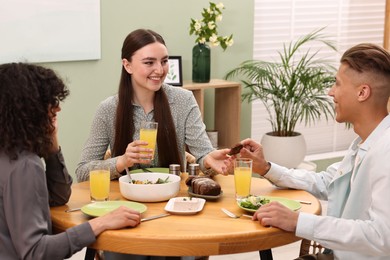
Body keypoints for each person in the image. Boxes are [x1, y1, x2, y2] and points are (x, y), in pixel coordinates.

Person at [232, 43, 390, 259]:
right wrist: (266, 168)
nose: (330, 92)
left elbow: (382, 236)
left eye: (337, 84)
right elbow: (327, 182)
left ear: (362, 92)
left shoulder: (386, 151)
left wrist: (298, 222)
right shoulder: (365, 142)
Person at [0, 63, 141, 260]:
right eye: (49, 101)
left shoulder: (8, 154)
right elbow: (35, 252)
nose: (57, 108)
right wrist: (100, 223)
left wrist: (52, 147)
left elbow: (58, 197)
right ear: (26, 108)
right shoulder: (24, 164)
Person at [75, 28, 230, 182]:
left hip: (172, 199)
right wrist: (121, 161)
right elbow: (82, 172)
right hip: (126, 200)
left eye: (164, 61)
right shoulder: (108, 109)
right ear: (127, 65)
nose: (159, 70)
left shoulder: (184, 100)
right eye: (149, 62)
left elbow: (203, 155)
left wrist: (209, 160)